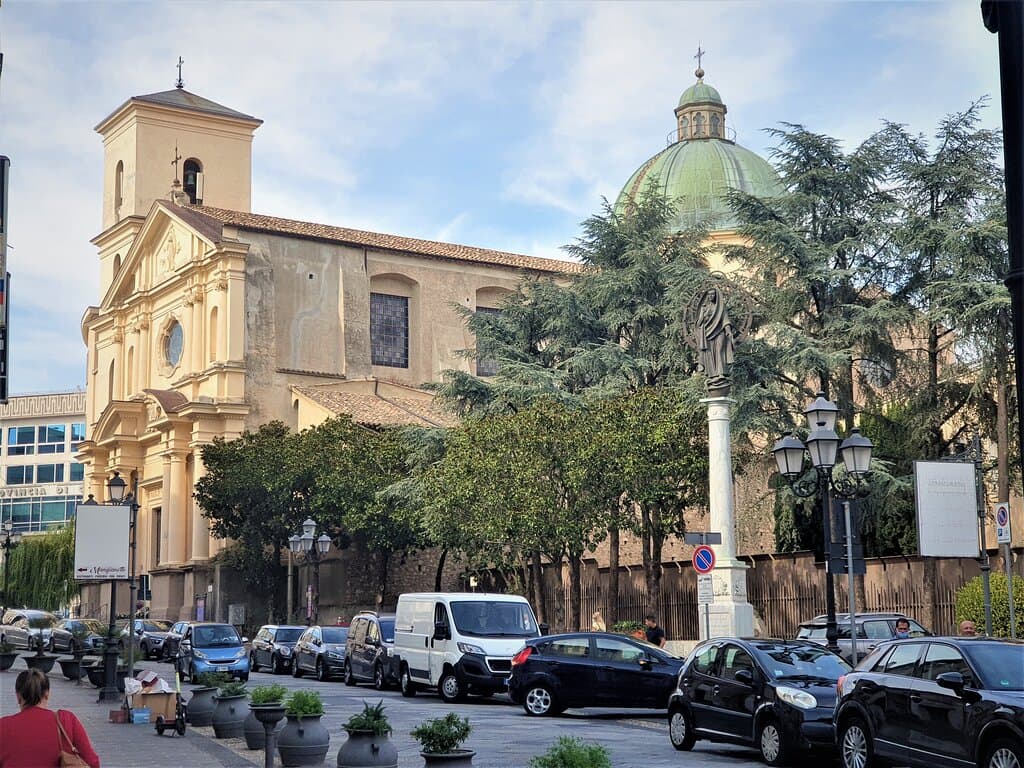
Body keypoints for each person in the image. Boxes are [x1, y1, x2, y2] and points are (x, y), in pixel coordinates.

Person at [0, 668, 100, 768]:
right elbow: (93, 762)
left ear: (18, 696)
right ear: (47, 694)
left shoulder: (3, 725)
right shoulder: (66, 720)